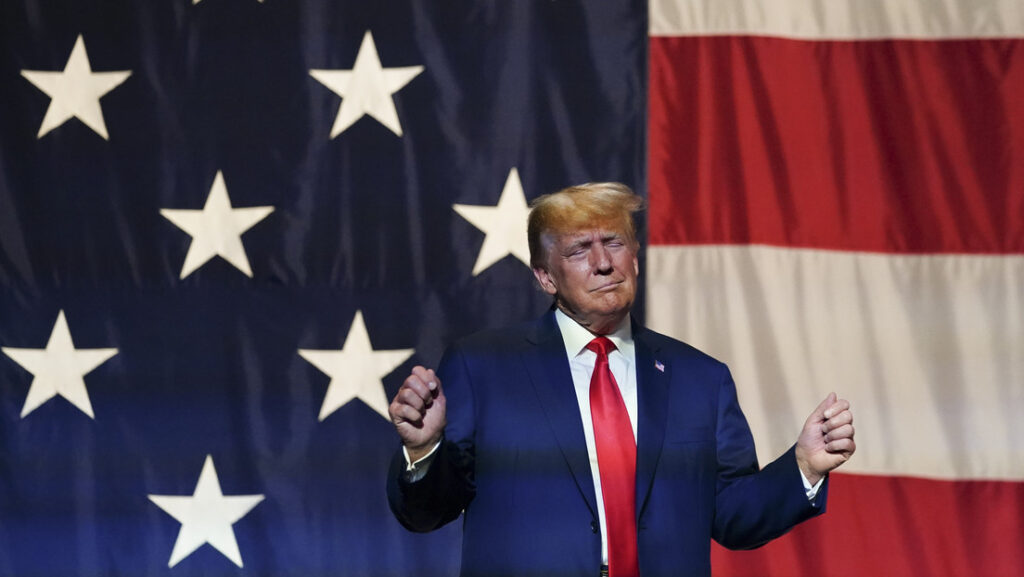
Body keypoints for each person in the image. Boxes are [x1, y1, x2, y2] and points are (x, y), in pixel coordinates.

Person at [387, 182, 855, 577]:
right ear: (546, 277)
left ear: (635, 257)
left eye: (613, 242)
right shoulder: (482, 367)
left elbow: (733, 517)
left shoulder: (701, 379)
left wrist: (803, 467)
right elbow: (427, 513)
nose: (603, 263)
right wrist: (423, 452)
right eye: (578, 251)